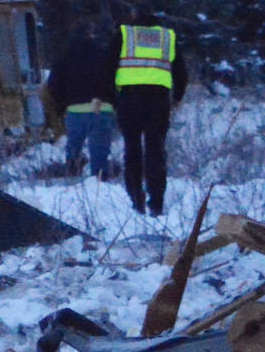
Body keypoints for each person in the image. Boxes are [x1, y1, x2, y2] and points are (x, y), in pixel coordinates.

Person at [109, 20, 188, 217]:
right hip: (158, 100)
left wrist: (112, 98)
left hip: (129, 98)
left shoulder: (125, 34)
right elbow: (181, 72)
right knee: (156, 150)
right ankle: (157, 203)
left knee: (132, 148)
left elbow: (107, 66)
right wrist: (177, 97)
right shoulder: (167, 37)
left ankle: (137, 200)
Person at [46, 21, 117, 180]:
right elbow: (115, 79)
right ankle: (100, 183)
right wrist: (113, 101)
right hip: (100, 106)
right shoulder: (103, 54)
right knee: (99, 151)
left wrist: (62, 103)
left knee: (73, 147)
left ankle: (72, 176)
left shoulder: (64, 56)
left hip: (75, 109)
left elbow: (53, 85)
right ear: (91, 35)